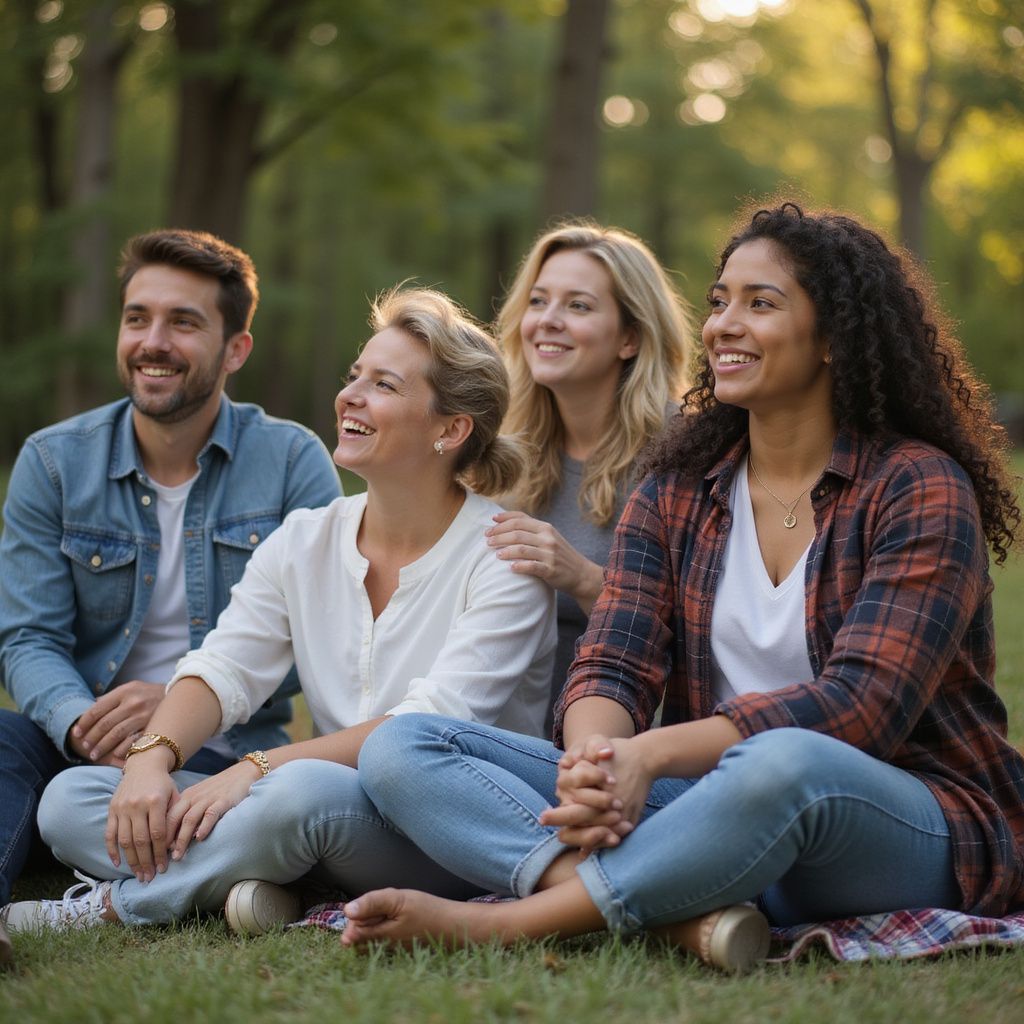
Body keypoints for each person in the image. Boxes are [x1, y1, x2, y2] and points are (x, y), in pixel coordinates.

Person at [337, 202, 1024, 973]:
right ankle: (683, 898)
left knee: (783, 763)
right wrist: (598, 763)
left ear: (835, 336)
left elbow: (859, 707)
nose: (724, 323)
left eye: (760, 304)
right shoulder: (676, 488)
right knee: (404, 745)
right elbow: (614, 656)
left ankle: (512, 922)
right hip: (705, 807)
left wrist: (651, 756)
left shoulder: (917, 488)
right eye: (720, 301)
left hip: (899, 815)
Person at [4, 286, 556, 937]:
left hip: (447, 833)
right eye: (355, 376)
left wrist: (252, 769)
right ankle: (264, 878)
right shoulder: (306, 538)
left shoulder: (503, 557)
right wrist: (152, 760)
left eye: (383, 385)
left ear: (450, 429)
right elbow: (225, 665)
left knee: (298, 796)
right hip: (323, 815)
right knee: (73, 800)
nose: (350, 395)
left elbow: (423, 729)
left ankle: (117, 907)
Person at [0, 229, 341, 964]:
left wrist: (178, 705)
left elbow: (323, 637)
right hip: (81, 740)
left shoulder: (291, 461)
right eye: (137, 318)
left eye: (183, 322)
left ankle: (139, 874)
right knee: (2, 743)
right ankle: (240, 883)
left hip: (223, 753)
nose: (152, 342)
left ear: (235, 349)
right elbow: (26, 639)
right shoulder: (54, 463)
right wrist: (83, 728)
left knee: (290, 800)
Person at [486, 223, 692, 728]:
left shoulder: (684, 448)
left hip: (632, 742)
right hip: (504, 729)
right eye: (538, 301)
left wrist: (580, 575)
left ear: (630, 337)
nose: (548, 321)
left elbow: (702, 632)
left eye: (578, 306)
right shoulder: (501, 444)